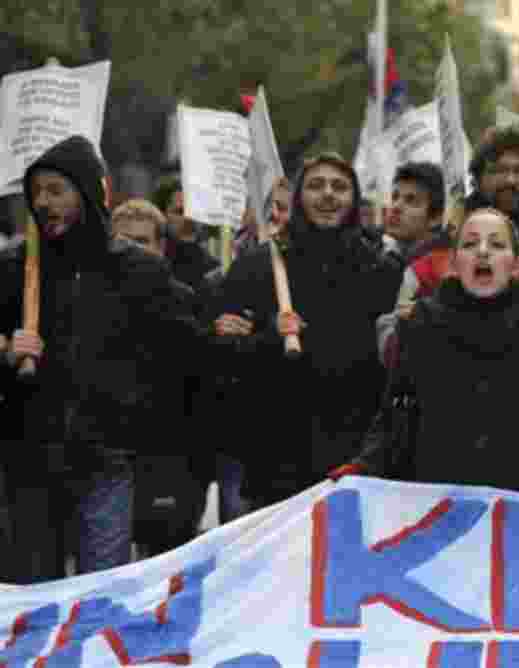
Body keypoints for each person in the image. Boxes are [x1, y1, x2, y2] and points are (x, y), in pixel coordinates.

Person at [0, 136, 195, 581]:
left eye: (56, 190)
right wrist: (9, 352)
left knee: (102, 592)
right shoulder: (14, 269)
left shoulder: (138, 271)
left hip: (109, 456)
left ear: (86, 192)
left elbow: (174, 362)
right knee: (34, 592)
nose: (43, 202)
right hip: (31, 456)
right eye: (37, 192)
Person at [330, 207, 519, 504]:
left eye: (496, 245)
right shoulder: (420, 325)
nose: (483, 252)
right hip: (432, 498)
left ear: (518, 265)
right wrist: (365, 466)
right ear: (454, 263)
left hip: (513, 501)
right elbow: (396, 414)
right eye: (470, 244)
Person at [213, 152, 402, 508]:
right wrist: (270, 334)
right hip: (277, 456)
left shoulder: (382, 271)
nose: (328, 194)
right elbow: (225, 358)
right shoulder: (258, 267)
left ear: (354, 198)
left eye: (340, 186)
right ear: (299, 197)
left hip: (356, 454)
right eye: (316, 185)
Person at [377, 127, 519, 363]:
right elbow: (392, 347)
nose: (511, 180)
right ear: (476, 179)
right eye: (499, 170)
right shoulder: (429, 257)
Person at [110, 199, 212, 556]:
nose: (134, 251)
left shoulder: (184, 301)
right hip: (111, 455)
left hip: (169, 458)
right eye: (125, 242)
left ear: (161, 247)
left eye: (143, 242)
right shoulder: (93, 300)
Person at [151, 174, 219, 291]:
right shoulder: (152, 266)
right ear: (161, 215)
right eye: (180, 212)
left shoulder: (215, 269)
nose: (189, 219)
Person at [383, 162, 445, 261]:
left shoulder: (440, 270)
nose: (395, 207)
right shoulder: (387, 257)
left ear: (435, 218)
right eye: (394, 197)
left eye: (410, 200)